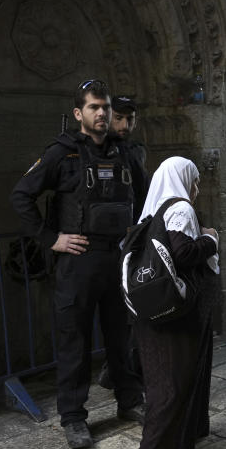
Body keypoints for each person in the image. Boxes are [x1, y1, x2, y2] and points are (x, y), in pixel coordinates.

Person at [10, 79, 145, 449]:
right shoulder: (62, 153)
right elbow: (21, 197)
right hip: (78, 263)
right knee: (74, 342)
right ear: (78, 114)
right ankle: (73, 418)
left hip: (118, 259)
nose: (101, 113)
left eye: (104, 107)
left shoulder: (127, 153)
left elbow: (145, 201)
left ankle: (130, 401)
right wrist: (52, 239)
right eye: (93, 108)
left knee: (122, 337)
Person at [129, 157, 219, 449]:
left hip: (152, 312)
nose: (196, 189)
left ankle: (179, 441)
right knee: (171, 385)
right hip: (177, 316)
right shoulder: (180, 208)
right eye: (194, 181)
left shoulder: (151, 211)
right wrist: (211, 239)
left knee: (163, 382)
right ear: (183, 180)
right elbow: (183, 254)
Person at [97, 95, 148, 391]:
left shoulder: (133, 152)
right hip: (98, 246)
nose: (124, 124)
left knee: (129, 311)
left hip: (127, 241)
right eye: (119, 117)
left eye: (130, 119)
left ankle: (122, 371)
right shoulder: (93, 149)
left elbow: (141, 193)